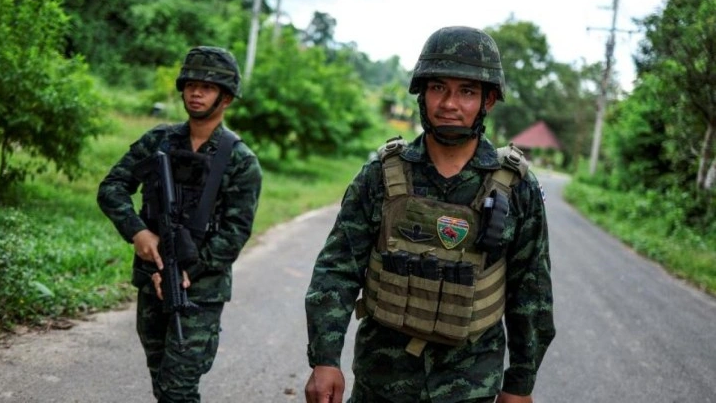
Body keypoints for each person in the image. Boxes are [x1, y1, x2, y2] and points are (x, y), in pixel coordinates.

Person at [303, 26, 555, 403]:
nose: (449, 103)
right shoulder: (380, 176)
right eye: (438, 87)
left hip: (469, 385)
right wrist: (325, 359)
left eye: (466, 91)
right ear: (422, 94)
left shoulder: (517, 187)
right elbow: (338, 269)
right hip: (381, 381)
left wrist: (520, 384)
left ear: (488, 100)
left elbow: (531, 292)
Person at [97, 46, 262, 402]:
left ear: (226, 98)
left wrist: (187, 270)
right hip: (151, 279)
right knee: (161, 380)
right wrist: (138, 231)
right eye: (190, 85)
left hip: (200, 291)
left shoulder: (240, 161)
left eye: (207, 87)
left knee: (178, 389)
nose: (196, 93)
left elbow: (235, 233)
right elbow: (112, 188)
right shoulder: (158, 141)